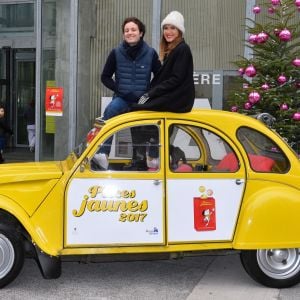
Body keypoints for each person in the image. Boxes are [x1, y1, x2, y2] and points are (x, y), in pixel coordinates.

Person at [93, 17, 161, 169]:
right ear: (123, 34)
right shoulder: (116, 52)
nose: (130, 33)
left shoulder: (151, 53)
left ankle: (149, 158)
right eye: (126, 30)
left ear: (141, 33)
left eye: (133, 30)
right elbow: (105, 77)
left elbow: (159, 76)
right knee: (109, 112)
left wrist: (148, 93)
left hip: (141, 100)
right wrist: (119, 89)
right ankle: (102, 153)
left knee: (148, 125)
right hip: (122, 98)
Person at [133, 11, 195, 112]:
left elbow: (176, 79)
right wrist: (149, 92)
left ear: (179, 31)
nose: (168, 31)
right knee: (137, 104)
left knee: (136, 108)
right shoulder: (170, 50)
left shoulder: (183, 48)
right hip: (172, 96)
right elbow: (163, 77)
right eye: (166, 28)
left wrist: (151, 93)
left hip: (180, 100)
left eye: (173, 28)